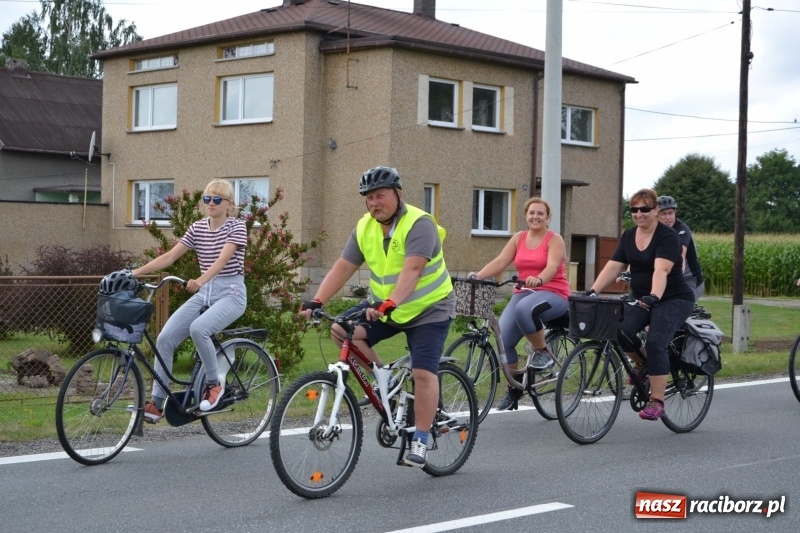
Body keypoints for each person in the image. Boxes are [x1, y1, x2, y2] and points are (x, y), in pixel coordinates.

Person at [300, 166, 455, 468]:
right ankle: (386, 382)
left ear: (398, 194)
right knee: (340, 329)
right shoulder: (364, 227)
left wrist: (390, 302)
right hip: (386, 306)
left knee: (423, 373)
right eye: (368, 198)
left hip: (429, 309)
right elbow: (344, 266)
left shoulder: (419, 224)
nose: (374, 203)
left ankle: (421, 437)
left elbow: (413, 271)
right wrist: (318, 299)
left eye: (380, 195)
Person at [133, 179, 248, 422]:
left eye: (217, 199)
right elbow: (170, 256)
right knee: (164, 338)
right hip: (205, 293)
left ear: (229, 205)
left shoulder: (237, 227)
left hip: (232, 294)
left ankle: (214, 384)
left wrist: (201, 279)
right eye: (207, 199)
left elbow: (222, 260)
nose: (211, 203)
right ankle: (156, 402)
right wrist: (133, 273)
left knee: (199, 329)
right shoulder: (197, 228)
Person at [585, 188, 694, 421]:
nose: (639, 214)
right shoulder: (628, 236)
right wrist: (593, 291)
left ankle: (657, 401)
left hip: (673, 298)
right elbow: (613, 266)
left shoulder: (668, 237)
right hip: (643, 297)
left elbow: (661, 270)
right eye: (634, 209)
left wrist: (654, 296)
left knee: (656, 342)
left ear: (656, 211)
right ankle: (644, 364)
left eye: (645, 209)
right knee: (619, 330)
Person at [469, 197, 570, 411]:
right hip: (524, 291)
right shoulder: (519, 238)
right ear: (526, 215)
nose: (535, 216)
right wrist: (478, 275)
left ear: (547, 217)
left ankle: (542, 351)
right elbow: (500, 261)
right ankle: (514, 389)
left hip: (553, 292)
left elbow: (552, 266)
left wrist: (540, 279)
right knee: (503, 340)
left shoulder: (554, 239)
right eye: (532, 213)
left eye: (540, 213)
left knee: (525, 309)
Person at [657, 195, 705, 301]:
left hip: (690, 279)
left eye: (670, 213)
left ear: (675, 212)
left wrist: (677, 279)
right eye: (664, 214)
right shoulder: (656, 231)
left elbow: (681, 256)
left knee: (679, 306)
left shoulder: (682, 229)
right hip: (668, 279)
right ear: (657, 215)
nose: (668, 218)